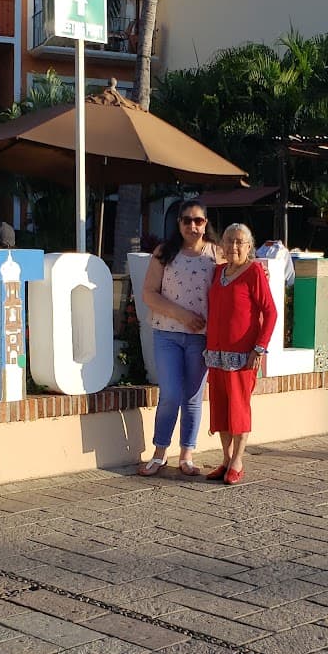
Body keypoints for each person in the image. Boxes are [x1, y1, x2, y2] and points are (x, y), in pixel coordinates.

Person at [137, 199, 220, 476]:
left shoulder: (216, 254)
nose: (192, 226)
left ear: (206, 223)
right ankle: (160, 452)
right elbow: (149, 293)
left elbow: (238, 275)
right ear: (179, 223)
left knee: (193, 396)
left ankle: (187, 455)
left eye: (198, 220)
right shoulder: (165, 252)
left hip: (201, 338)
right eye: (187, 220)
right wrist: (181, 314)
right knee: (170, 393)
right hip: (167, 335)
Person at [204, 222, 276, 486]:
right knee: (221, 408)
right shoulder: (218, 272)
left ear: (248, 246)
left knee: (238, 408)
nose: (233, 246)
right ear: (222, 245)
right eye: (229, 241)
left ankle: (238, 460)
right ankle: (225, 458)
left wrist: (259, 348)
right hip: (216, 353)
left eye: (239, 242)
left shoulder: (255, 272)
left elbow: (270, 312)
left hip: (242, 355)